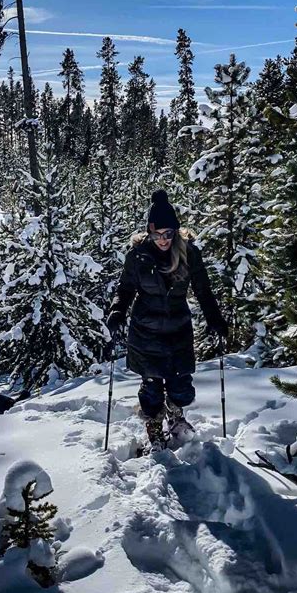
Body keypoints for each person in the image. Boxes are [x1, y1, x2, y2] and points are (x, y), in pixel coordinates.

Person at [106, 189, 228, 452]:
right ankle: (153, 425)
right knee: (151, 387)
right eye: (157, 234)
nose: (162, 240)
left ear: (175, 231)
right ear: (149, 233)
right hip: (145, 331)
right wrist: (117, 312)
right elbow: (125, 289)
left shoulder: (188, 254)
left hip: (178, 330)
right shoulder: (138, 257)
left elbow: (203, 290)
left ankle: (175, 414)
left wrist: (215, 320)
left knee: (181, 385)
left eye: (168, 234)